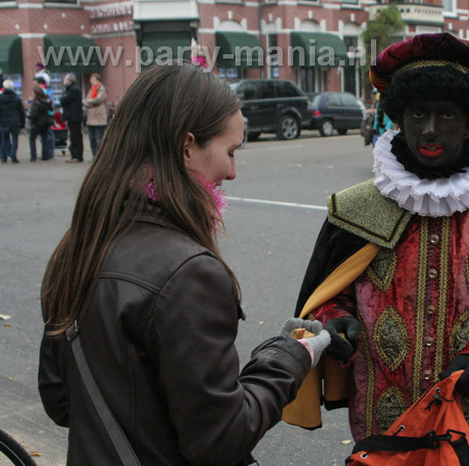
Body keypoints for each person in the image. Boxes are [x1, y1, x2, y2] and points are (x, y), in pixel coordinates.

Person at [283, 33, 469, 465]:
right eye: (417, 113)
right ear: (398, 118)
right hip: (385, 428)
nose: (429, 129)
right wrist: (337, 322)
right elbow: (328, 297)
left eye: (446, 114)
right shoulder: (356, 209)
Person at [38, 62, 330, 465]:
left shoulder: (77, 245)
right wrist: (289, 359)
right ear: (187, 146)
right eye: (229, 151)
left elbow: (61, 400)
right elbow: (221, 441)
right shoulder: (187, 271)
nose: (232, 170)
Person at [82, 73, 108, 159]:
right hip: (90, 118)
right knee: (91, 138)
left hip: (99, 118)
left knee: (99, 138)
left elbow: (98, 100)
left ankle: (100, 156)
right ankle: (94, 155)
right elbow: (87, 100)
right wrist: (88, 102)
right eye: (91, 79)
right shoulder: (91, 90)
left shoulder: (101, 89)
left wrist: (88, 102)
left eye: (93, 79)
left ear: (98, 80)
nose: (91, 81)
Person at [59, 73, 84, 163]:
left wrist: (62, 98)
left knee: (75, 136)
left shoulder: (73, 90)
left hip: (74, 116)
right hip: (72, 116)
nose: (64, 82)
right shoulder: (71, 90)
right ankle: (74, 155)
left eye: (65, 80)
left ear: (70, 81)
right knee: (73, 135)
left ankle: (77, 155)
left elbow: (63, 100)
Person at [0, 79, 25, 163]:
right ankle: (13, 156)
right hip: (15, 121)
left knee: (4, 140)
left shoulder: (1, 98)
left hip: (4, 122)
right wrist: (22, 123)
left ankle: (4, 157)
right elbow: (21, 111)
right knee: (15, 139)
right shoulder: (16, 98)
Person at [27, 85, 52, 162]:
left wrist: (29, 118)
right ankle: (45, 156)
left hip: (36, 123)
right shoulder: (46, 101)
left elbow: (34, 114)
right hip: (45, 122)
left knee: (32, 138)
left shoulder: (36, 102)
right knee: (44, 139)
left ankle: (33, 156)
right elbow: (50, 109)